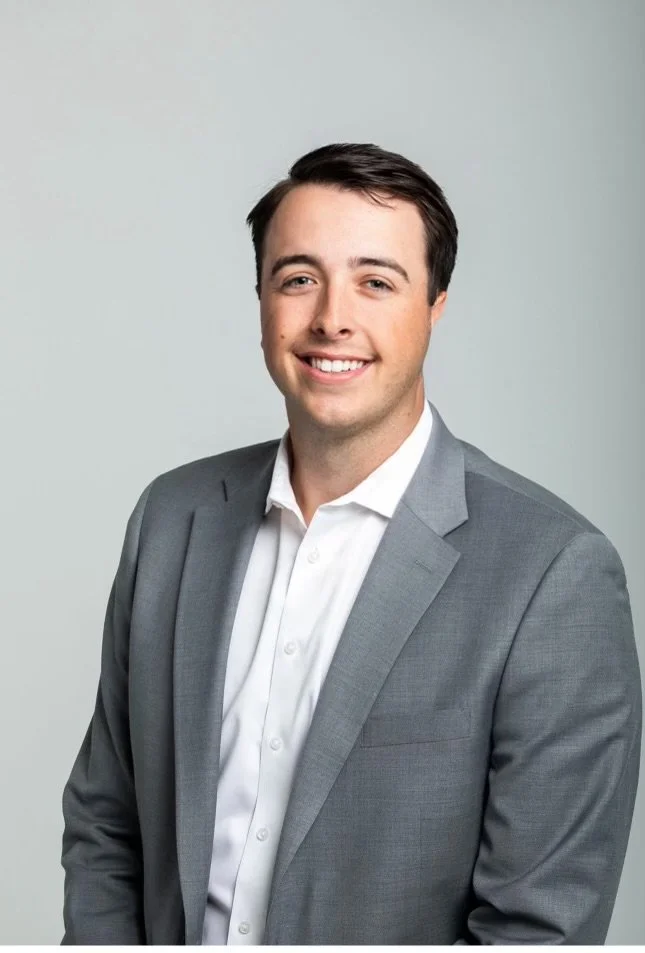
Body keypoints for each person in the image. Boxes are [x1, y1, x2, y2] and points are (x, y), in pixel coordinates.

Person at [61, 142, 641, 945]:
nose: (332, 316)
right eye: (298, 278)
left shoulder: (552, 576)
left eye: (376, 281)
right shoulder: (172, 520)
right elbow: (106, 823)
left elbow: (539, 927)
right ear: (260, 296)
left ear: (434, 304)